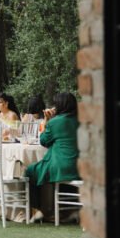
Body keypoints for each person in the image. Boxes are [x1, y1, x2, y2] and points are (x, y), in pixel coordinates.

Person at [25, 92, 80, 222]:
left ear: (60, 106)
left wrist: (47, 120)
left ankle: (39, 210)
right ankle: (69, 210)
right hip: (80, 166)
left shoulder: (55, 122)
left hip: (61, 165)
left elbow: (43, 140)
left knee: (30, 171)